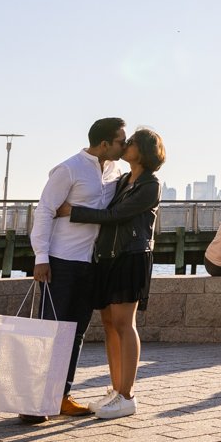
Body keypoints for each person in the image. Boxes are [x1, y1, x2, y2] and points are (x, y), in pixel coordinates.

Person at [59, 126, 166, 421]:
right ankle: (116, 389)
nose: (126, 145)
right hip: (109, 258)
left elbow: (114, 216)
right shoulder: (122, 181)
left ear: (142, 151)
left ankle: (127, 395)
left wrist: (72, 211)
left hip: (131, 257)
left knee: (123, 323)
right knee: (108, 324)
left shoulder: (149, 185)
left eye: (131, 142)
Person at [25, 117, 126, 423]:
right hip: (61, 260)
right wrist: (40, 255)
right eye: (121, 140)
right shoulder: (68, 168)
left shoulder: (115, 171)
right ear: (104, 143)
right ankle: (33, 402)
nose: (125, 144)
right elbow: (44, 210)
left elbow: (111, 213)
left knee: (77, 332)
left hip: (91, 262)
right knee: (51, 330)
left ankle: (61, 397)